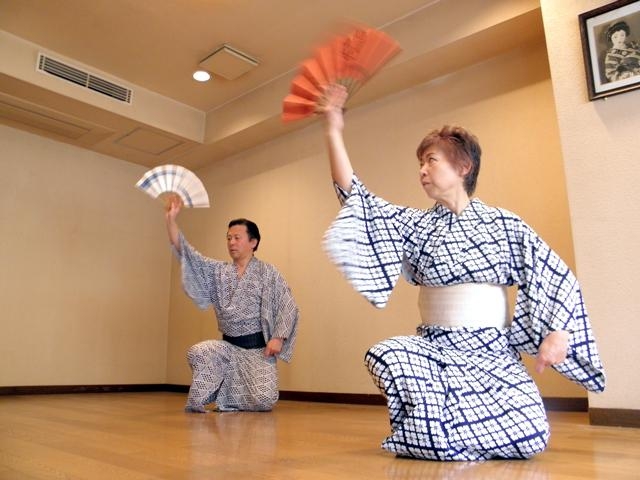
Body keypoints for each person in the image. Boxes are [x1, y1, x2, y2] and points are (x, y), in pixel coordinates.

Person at [319, 84, 605, 461]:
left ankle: (438, 434)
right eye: (420, 164)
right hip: (436, 349)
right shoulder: (414, 226)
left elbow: (554, 275)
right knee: (386, 355)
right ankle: (443, 432)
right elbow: (357, 198)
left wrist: (558, 332)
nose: (422, 171)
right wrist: (333, 129)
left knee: (533, 435)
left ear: (463, 167)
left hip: (492, 354)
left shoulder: (504, 224)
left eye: (431, 160)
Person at [165, 194, 299, 412]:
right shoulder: (217, 271)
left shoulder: (268, 272)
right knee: (198, 352)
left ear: (253, 242)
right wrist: (171, 220)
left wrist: (278, 337)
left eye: (237, 237)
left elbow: (288, 305)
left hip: (258, 350)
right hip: (227, 348)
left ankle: (228, 398)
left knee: (264, 400)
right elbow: (187, 254)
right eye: (228, 238)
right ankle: (223, 393)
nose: (231, 242)